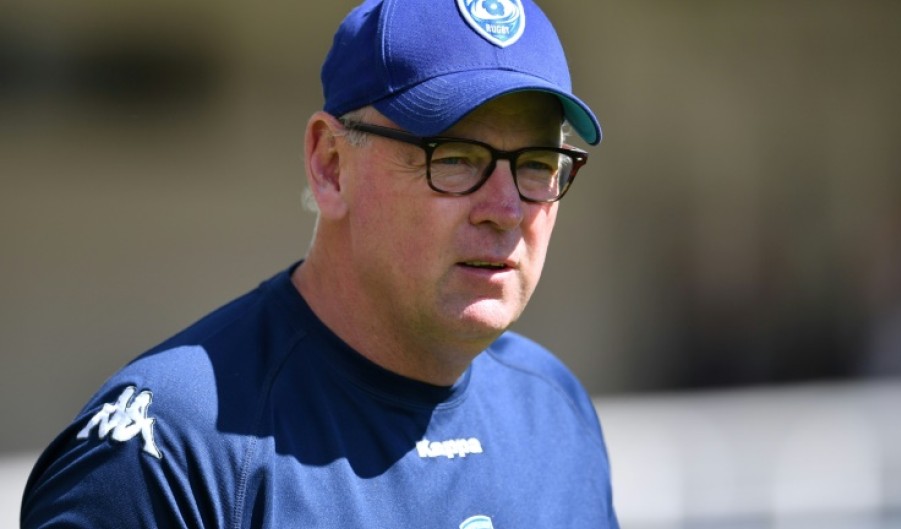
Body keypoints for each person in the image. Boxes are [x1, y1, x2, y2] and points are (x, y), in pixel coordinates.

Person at [21, 0, 616, 527]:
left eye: (537, 164)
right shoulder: (170, 450)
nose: (506, 210)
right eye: (456, 157)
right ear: (331, 164)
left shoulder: (553, 408)